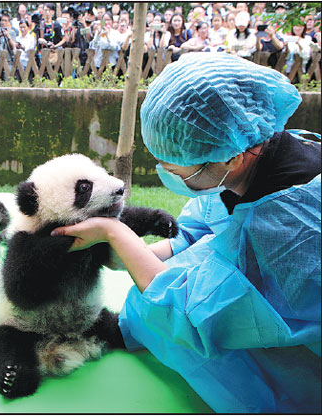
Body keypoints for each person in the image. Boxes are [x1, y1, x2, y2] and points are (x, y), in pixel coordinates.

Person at [51, 52, 321, 413]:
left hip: (306, 360)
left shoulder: (283, 229)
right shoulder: (264, 148)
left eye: (177, 164)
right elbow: (202, 227)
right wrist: (139, 255)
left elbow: (184, 308)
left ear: (232, 157)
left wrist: (115, 234)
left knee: (163, 317)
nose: (166, 168)